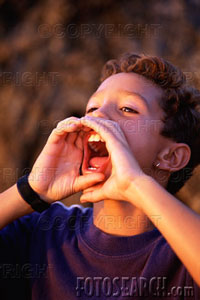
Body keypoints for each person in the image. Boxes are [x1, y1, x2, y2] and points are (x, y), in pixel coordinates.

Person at [0, 53, 200, 299]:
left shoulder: (184, 253)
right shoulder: (40, 234)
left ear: (171, 157)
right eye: (92, 108)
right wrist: (30, 191)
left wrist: (135, 184)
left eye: (128, 109)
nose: (97, 117)